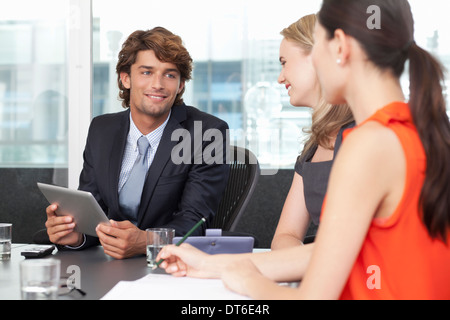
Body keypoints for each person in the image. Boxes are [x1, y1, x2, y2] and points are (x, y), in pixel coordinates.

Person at [157, 0, 450, 300]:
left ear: (339, 47)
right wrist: (211, 264)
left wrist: (246, 280)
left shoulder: (367, 144)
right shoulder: (413, 131)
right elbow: (327, 255)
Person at [45, 27, 230, 260]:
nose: (158, 84)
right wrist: (76, 235)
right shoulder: (102, 130)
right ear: (125, 78)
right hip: (110, 267)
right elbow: (95, 214)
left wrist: (146, 242)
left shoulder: (207, 133)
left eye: (170, 75)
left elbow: (196, 222)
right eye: (146, 72)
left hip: (171, 267)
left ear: (181, 85)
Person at [272, 14, 353, 250]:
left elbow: (351, 250)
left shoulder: (363, 136)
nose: (280, 77)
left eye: (284, 62)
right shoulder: (314, 146)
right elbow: (285, 235)